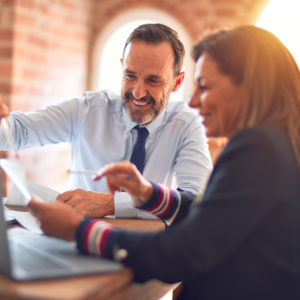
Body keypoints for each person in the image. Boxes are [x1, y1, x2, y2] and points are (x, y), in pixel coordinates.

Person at [23, 24, 300, 299]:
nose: (192, 101)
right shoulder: (276, 145)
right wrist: (147, 194)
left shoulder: (258, 150)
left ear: (248, 88)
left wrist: (79, 230)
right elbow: (212, 213)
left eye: (203, 86)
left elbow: (183, 251)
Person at [0, 23, 212, 219]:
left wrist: (113, 204)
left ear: (177, 81)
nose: (138, 93)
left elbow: (198, 200)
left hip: (144, 247)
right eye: (130, 76)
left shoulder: (186, 124)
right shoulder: (88, 109)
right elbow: (17, 132)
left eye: (153, 80)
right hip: (77, 239)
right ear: (122, 67)